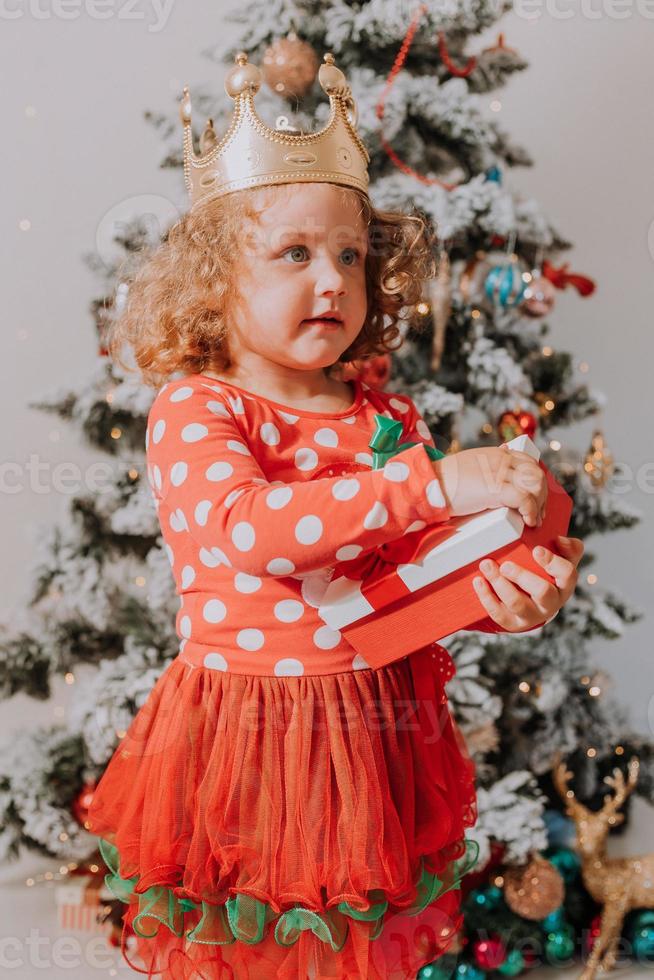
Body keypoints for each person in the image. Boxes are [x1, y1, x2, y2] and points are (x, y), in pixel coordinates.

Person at [87, 51, 584, 979]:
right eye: (295, 253)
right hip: (247, 730)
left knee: (359, 943)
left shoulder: (384, 418)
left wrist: (507, 595)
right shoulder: (200, 408)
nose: (332, 282)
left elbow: (417, 573)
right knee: (260, 942)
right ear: (211, 277)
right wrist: (438, 484)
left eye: (350, 256)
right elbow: (254, 529)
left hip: (373, 729)